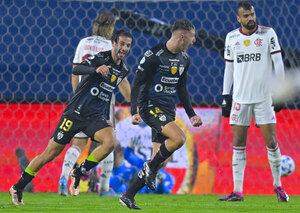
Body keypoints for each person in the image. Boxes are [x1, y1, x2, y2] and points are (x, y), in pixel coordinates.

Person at [9, 29, 133, 205]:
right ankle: (18, 186)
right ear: (113, 43)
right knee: (49, 153)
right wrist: (95, 69)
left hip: (94, 117)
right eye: (121, 44)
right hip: (75, 113)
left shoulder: (124, 70)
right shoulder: (101, 58)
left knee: (110, 142)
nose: (124, 48)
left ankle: (79, 172)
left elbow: (120, 88)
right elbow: (77, 70)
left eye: (128, 45)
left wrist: (135, 107)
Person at [119, 20, 203, 210]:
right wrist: (134, 111)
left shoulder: (184, 59)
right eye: (192, 36)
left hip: (168, 110)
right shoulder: (153, 55)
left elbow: (182, 88)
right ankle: (149, 169)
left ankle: (128, 195)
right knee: (179, 138)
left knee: (160, 161)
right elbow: (137, 84)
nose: (194, 40)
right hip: (150, 107)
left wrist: (191, 115)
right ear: (182, 36)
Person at [218, 1, 288, 202]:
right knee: (238, 144)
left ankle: (278, 186)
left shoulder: (268, 34)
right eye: (246, 16)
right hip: (240, 99)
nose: (251, 19)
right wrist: (225, 96)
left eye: (252, 14)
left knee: (272, 142)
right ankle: (237, 191)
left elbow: (278, 63)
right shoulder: (231, 38)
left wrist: (280, 91)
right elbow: (229, 68)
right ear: (238, 18)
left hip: (264, 99)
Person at [58, 11, 131, 197]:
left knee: (78, 143)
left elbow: (75, 71)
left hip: (81, 99)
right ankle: (105, 189)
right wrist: (133, 101)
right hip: (103, 99)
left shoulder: (83, 42)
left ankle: (63, 180)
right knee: (107, 141)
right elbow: (121, 79)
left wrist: (76, 96)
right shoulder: (111, 45)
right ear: (111, 28)